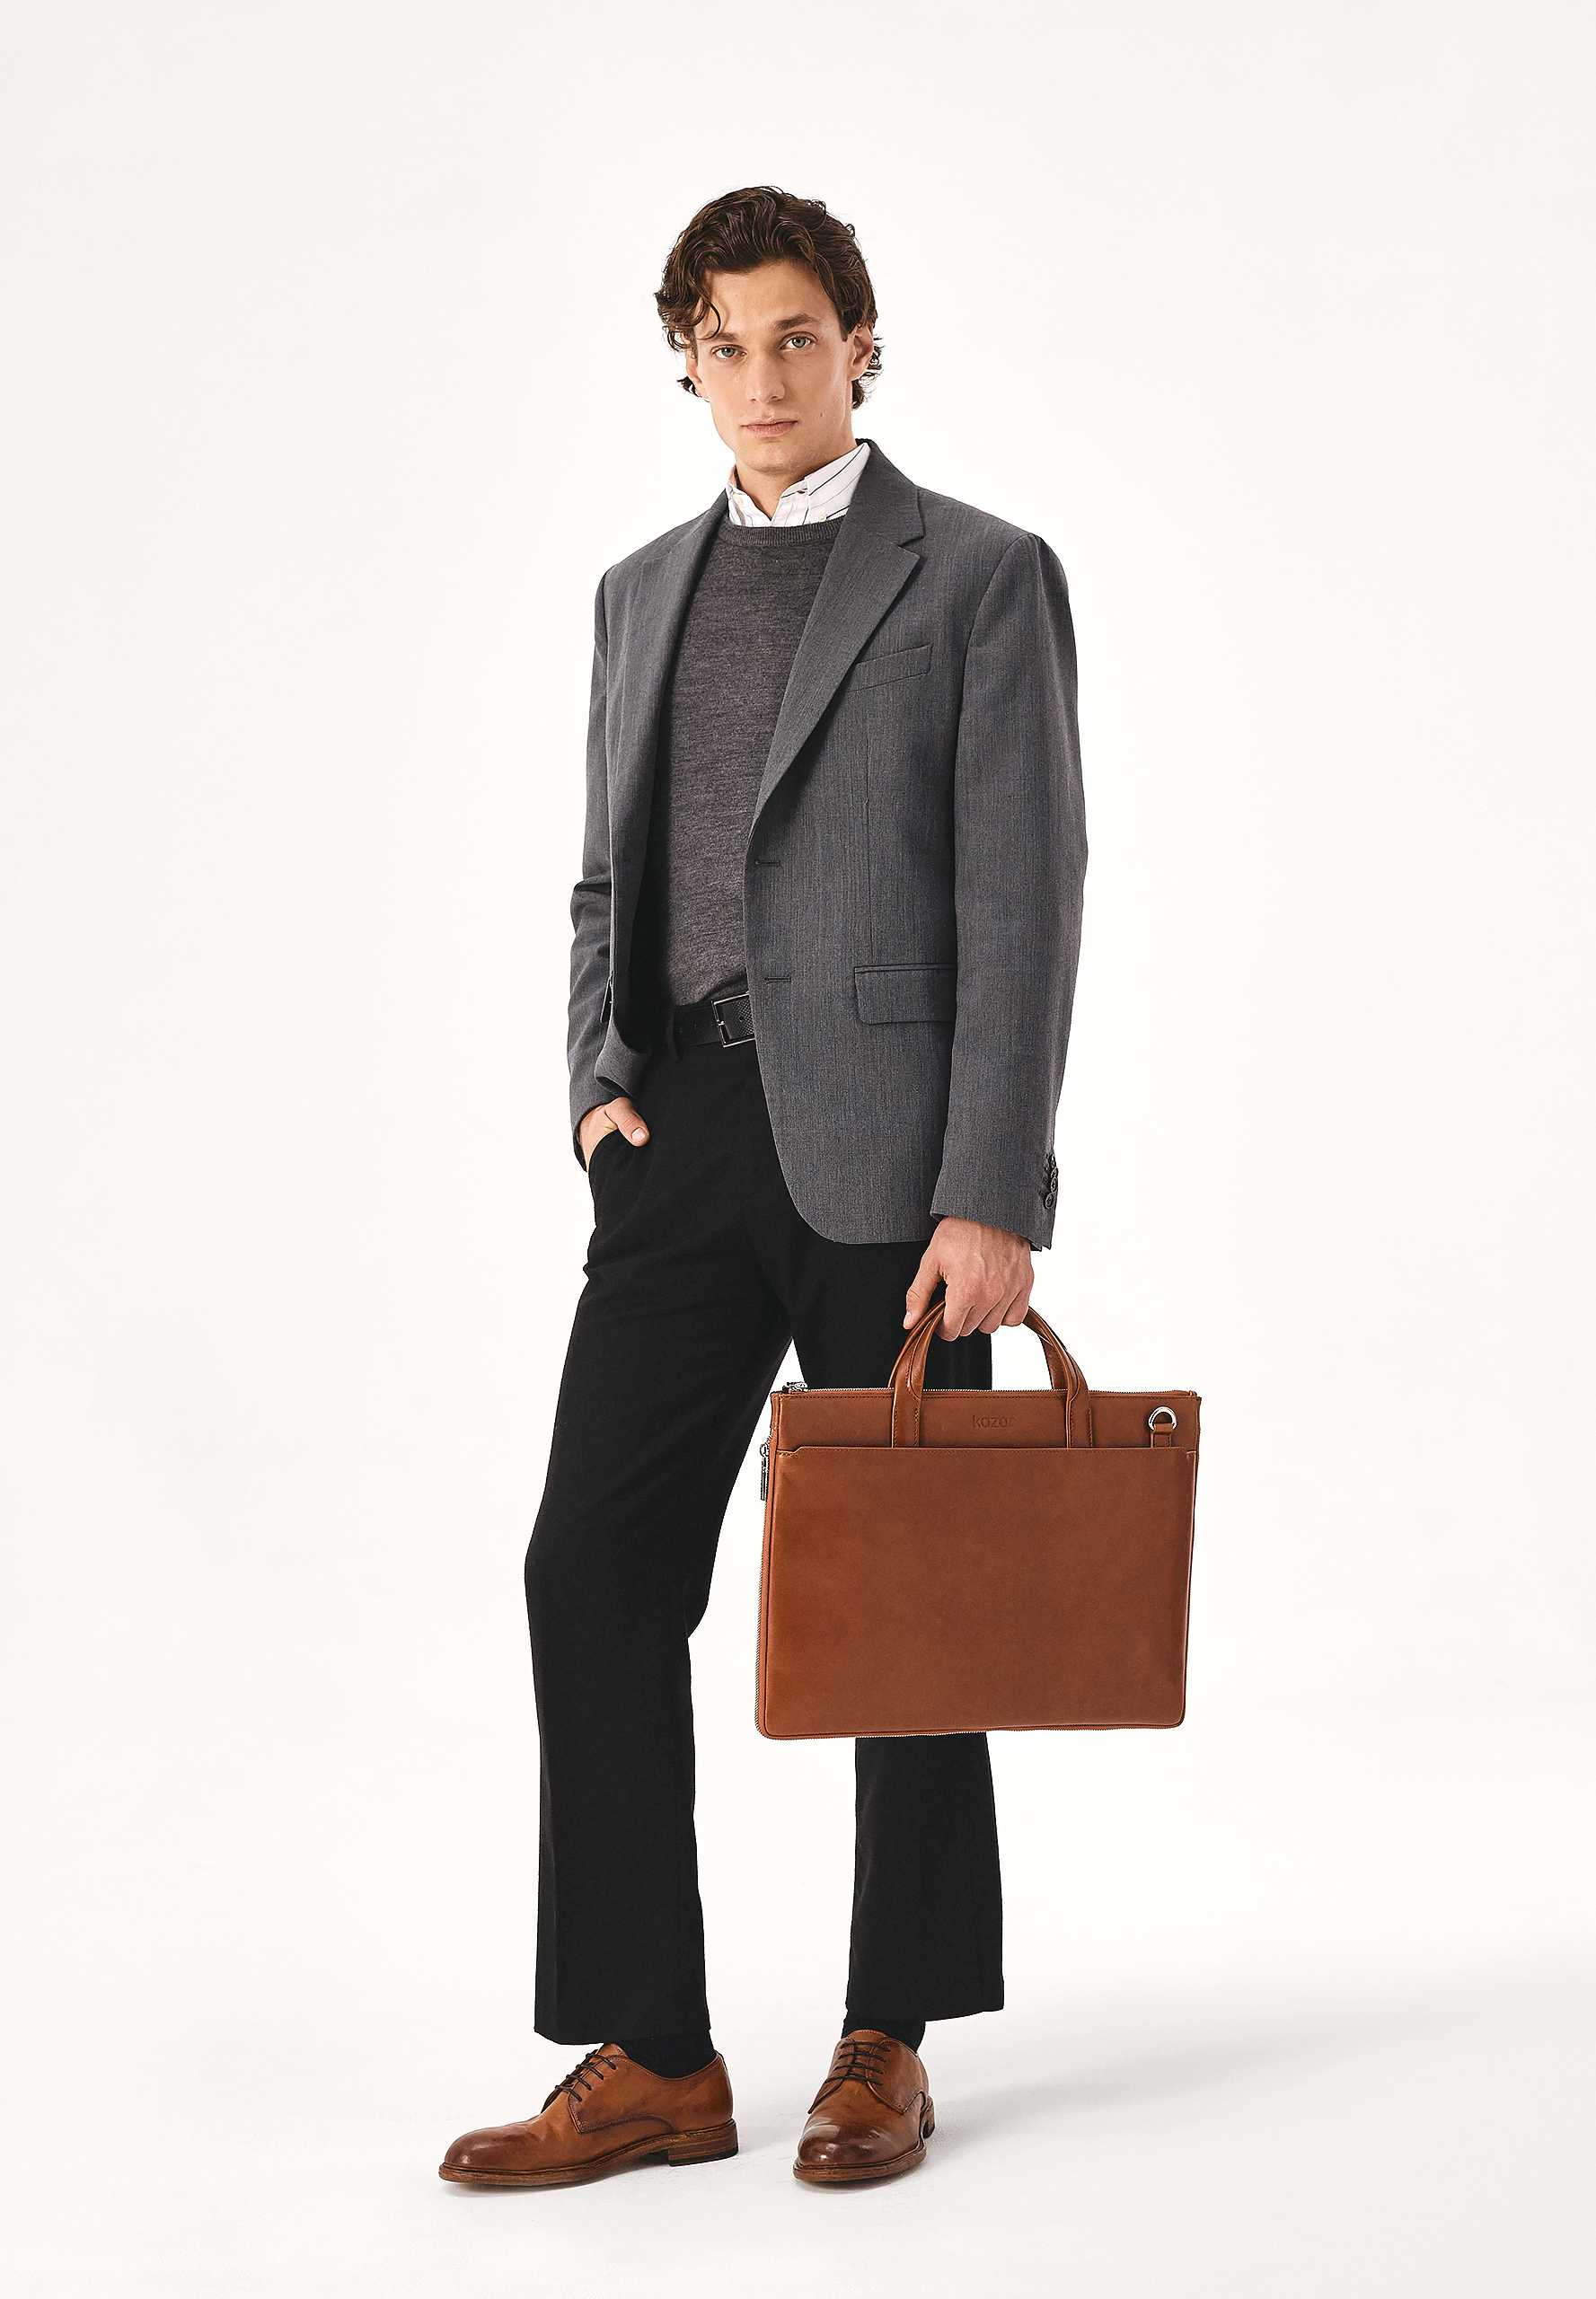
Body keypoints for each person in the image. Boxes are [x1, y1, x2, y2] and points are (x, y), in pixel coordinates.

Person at [440, 182, 1086, 2191]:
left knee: (908, 1601)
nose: (762, 376)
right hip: (680, 1146)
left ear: (860, 344)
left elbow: (1025, 891)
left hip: (896, 1162)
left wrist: (993, 1190)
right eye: (721, 344)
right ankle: (652, 2051)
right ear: (686, 365)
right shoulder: (639, 590)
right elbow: (601, 881)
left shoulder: (976, 574)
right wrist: (593, 1088)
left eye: (795, 336)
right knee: (591, 1569)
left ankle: (889, 2033)